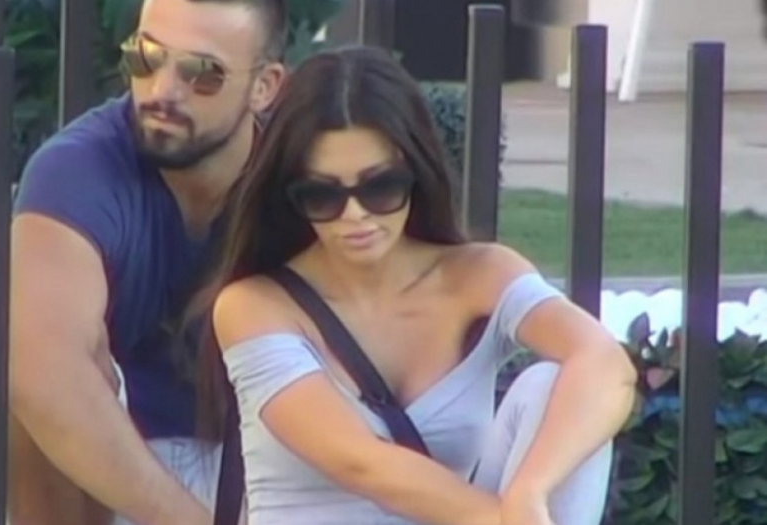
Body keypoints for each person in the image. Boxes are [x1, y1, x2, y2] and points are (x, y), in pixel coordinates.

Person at [196, 46, 638, 525]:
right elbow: (362, 464)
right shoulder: (254, 305)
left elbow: (605, 362)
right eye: (322, 195)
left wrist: (531, 492)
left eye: (379, 187)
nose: (354, 215)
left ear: (415, 174)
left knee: (558, 388)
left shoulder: (480, 274)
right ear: (291, 195)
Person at [6, 0, 287, 523]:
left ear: (264, 87)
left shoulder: (306, 175)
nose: (162, 91)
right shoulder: (76, 168)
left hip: (271, 465)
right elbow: (39, 369)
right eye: (146, 58)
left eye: (203, 73)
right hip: (115, 470)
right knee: (27, 359)